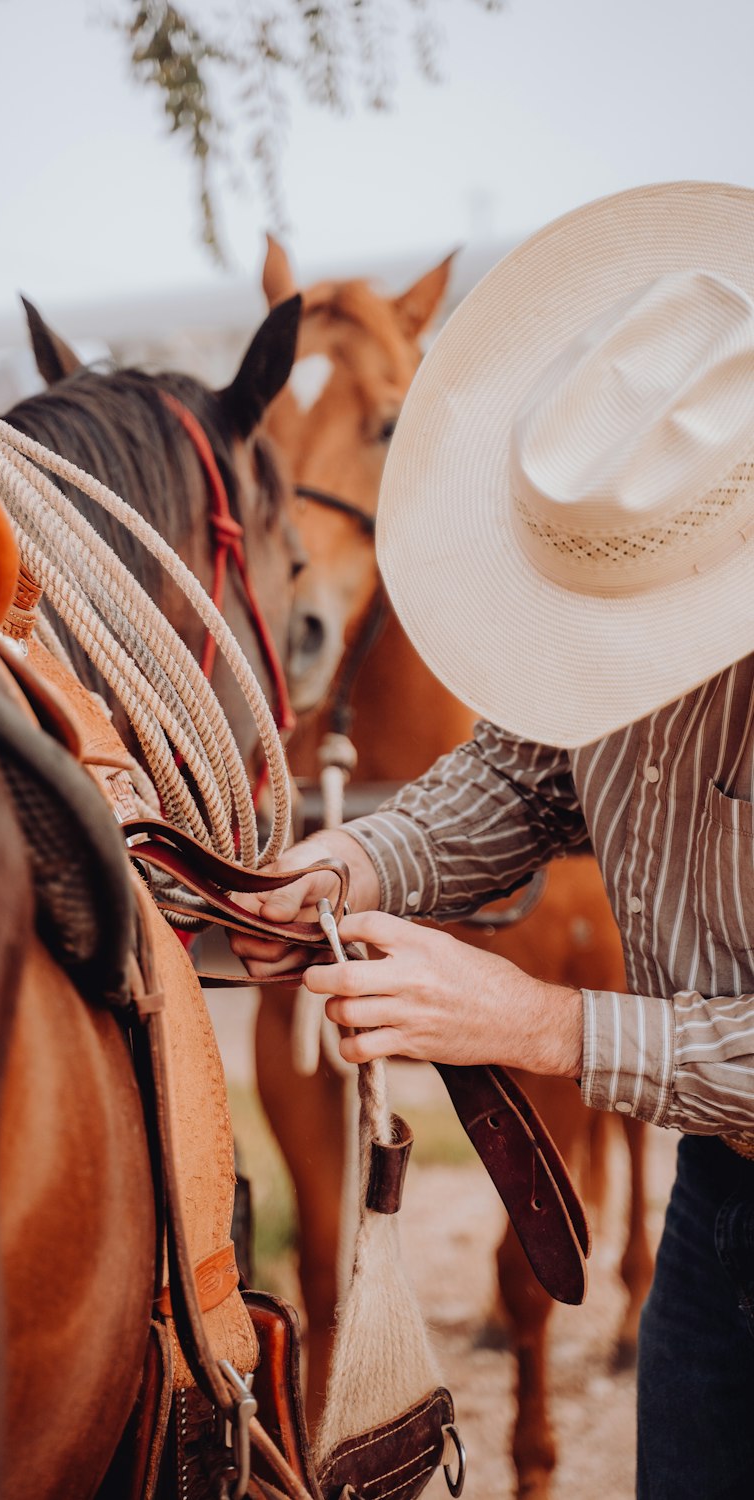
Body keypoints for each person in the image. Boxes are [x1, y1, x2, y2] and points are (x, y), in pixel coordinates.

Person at [233, 182, 754, 1499]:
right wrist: (352, 858)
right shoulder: (613, 572)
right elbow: (514, 785)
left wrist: (542, 1026)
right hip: (719, 1202)